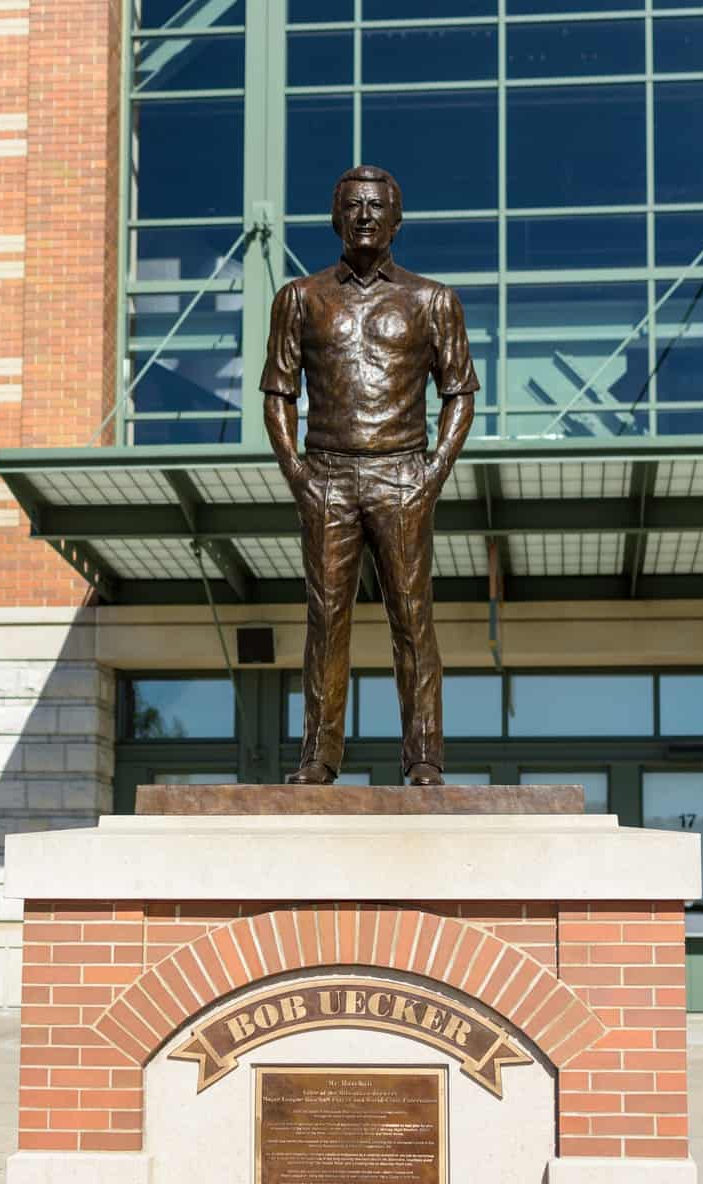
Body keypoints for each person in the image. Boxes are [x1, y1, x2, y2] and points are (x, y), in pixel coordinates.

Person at [260, 165, 479, 786]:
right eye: (352, 206)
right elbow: (279, 392)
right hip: (327, 475)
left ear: (396, 219)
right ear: (336, 217)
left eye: (376, 206)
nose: (364, 216)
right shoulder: (300, 298)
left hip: (402, 473)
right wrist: (297, 474)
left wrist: (433, 470)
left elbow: (459, 391)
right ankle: (320, 755)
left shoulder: (431, 299)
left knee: (412, 618)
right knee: (325, 621)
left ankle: (425, 757)